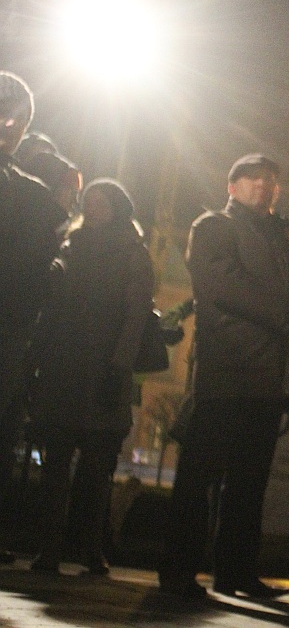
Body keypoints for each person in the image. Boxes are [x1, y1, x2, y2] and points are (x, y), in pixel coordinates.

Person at [159, 154, 289, 599]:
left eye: (271, 181)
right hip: (226, 373)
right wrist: (288, 317)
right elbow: (224, 286)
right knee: (199, 477)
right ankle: (178, 573)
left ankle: (236, 573)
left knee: (249, 484)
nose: (264, 186)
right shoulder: (213, 226)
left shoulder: (288, 238)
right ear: (231, 186)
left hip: (273, 377)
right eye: (253, 178)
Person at [28, 179, 154, 575]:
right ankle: (49, 549)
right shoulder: (71, 245)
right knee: (55, 464)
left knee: (97, 468)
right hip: (65, 365)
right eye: (90, 203)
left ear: (119, 208)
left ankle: (88, 548)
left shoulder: (134, 254)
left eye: (103, 203)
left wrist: (119, 366)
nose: (95, 209)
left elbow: (135, 316)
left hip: (104, 369)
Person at [0, 72, 66, 564]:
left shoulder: (36, 197)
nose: (8, 124)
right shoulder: (35, 197)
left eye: (17, 117)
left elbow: (40, 276)